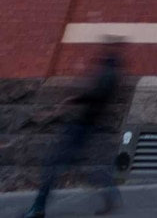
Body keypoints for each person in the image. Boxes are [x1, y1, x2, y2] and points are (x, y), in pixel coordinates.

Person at [23, 38, 125, 218]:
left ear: (112, 47)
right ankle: (111, 192)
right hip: (87, 126)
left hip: (82, 126)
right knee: (78, 166)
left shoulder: (108, 73)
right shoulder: (110, 70)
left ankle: (38, 207)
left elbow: (97, 95)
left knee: (54, 163)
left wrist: (75, 99)